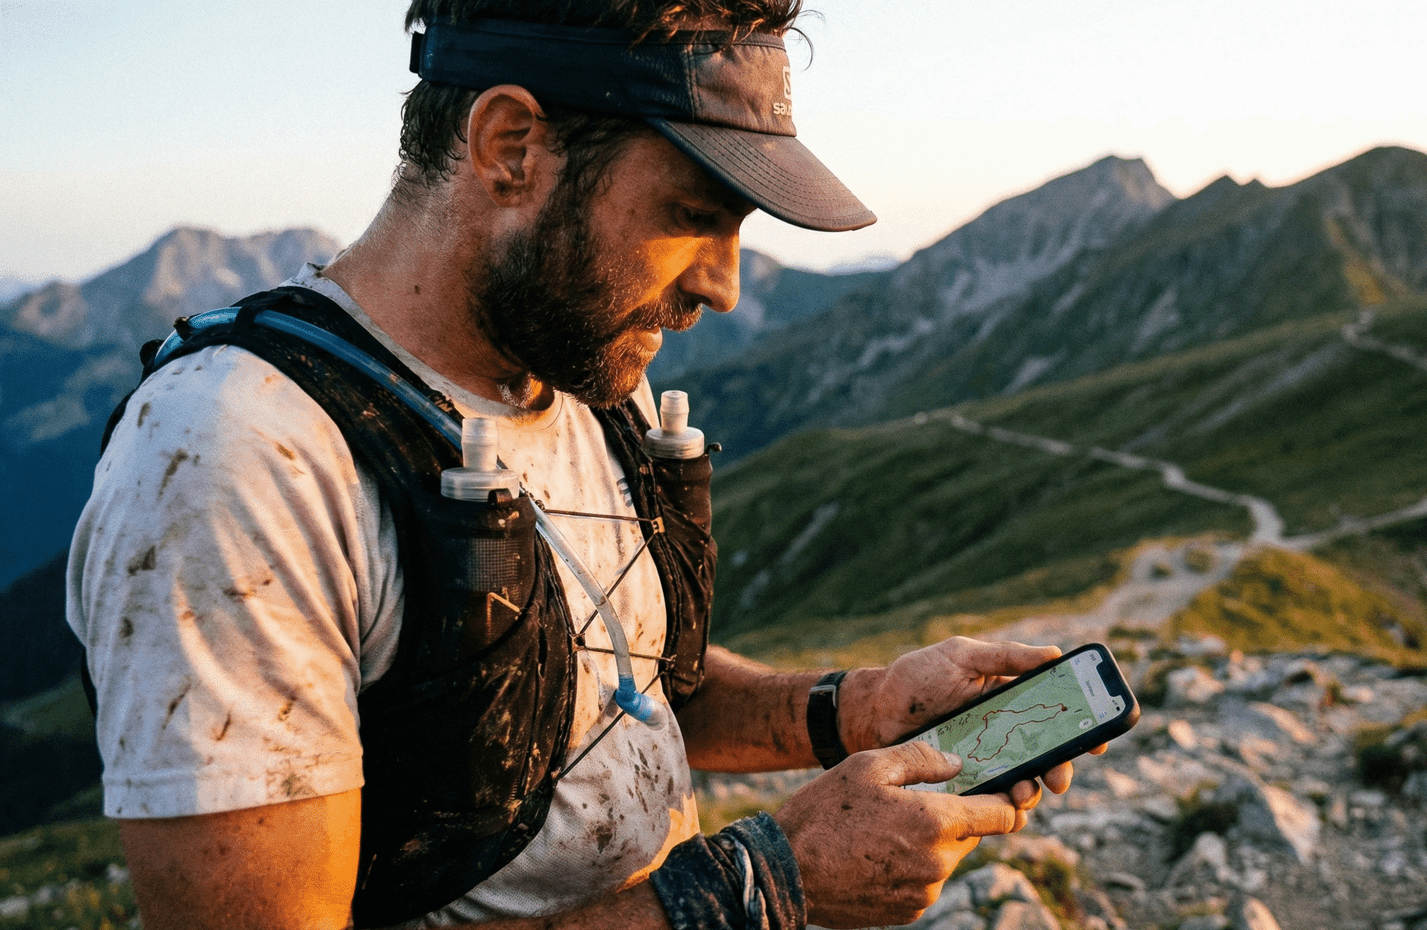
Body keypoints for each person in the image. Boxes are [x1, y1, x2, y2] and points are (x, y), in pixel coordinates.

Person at [66, 2, 1098, 928]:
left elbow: (619, 694)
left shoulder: (588, 378)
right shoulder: (238, 457)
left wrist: (853, 710)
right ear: (509, 145)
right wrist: (759, 888)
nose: (726, 287)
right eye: (692, 214)